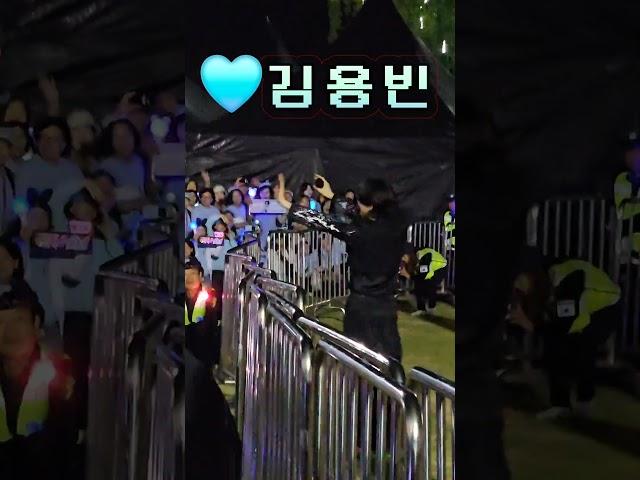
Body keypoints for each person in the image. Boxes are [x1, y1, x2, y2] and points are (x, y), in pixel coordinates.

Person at [287, 177, 409, 360]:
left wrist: (290, 206)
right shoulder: (397, 226)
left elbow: (324, 221)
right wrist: (333, 196)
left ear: (370, 205)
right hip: (386, 305)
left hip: (360, 307)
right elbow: (355, 214)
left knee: (357, 358)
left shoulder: (358, 232)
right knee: (389, 358)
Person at [509, 255, 620, 419]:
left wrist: (529, 324)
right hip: (582, 306)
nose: (518, 287)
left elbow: (564, 327)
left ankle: (584, 402)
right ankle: (561, 404)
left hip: (606, 308)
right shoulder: (545, 276)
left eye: (519, 280)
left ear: (531, 273)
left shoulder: (564, 280)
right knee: (556, 344)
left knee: (580, 343)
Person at [0, 297, 79, 479]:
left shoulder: (60, 373)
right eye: (0, 322)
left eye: (19, 319)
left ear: (36, 324)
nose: (11, 331)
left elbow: (67, 446)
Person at [14, 117, 83, 215]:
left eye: (55, 139)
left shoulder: (72, 169)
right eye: (44, 137)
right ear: (37, 142)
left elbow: (82, 201)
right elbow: (19, 205)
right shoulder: (25, 169)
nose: (48, 142)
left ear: (64, 144)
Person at [99, 119, 148, 250]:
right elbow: (107, 205)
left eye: (126, 135)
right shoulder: (106, 166)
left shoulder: (139, 161)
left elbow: (144, 194)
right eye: (117, 137)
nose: (123, 141)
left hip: (141, 226)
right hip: (118, 231)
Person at [182, 258, 219, 368]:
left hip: (202, 360)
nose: (189, 278)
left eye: (193, 274)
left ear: (201, 276)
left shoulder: (209, 300)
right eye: (185, 274)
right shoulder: (179, 299)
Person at [613, 133, 640, 260]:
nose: (633, 156)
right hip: (625, 248)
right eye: (629, 151)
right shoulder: (621, 178)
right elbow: (621, 211)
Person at [411, 247, 448, 316]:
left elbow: (424, 272)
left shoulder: (424, 255)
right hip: (438, 268)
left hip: (439, 269)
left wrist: (414, 276)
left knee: (429, 286)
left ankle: (429, 309)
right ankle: (424, 308)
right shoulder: (425, 252)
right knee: (422, 286)